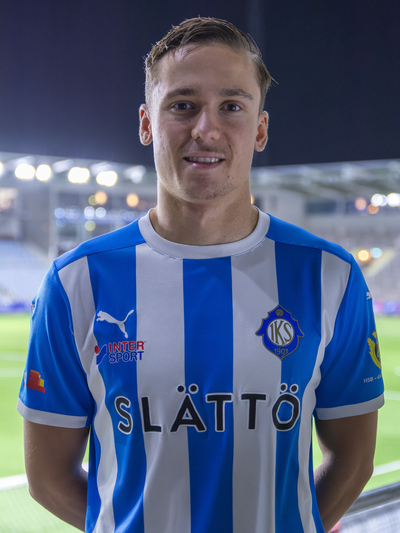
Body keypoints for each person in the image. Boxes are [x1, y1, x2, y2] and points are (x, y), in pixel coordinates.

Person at [18, 16, 384, 533]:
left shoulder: (331, 276)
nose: (205, 129)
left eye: (231, 106)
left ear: (260, 129)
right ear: (147, 123)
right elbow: (48, 476)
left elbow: (355, 459)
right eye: (182, 105)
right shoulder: (75, 282)